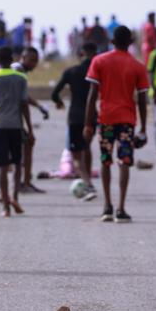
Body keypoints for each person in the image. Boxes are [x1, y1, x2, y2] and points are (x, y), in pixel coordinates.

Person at [84, 26, 149, 223]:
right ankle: (121, 207)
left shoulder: (100, 61)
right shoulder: (138, 66)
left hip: (106, 120)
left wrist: (88, 124)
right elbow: (143, 98)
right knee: (124, 162)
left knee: (105, 161)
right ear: (130, 42)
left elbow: (92, 94)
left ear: (112, 41)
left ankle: (107, 206)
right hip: (127, 121)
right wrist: (143, 128)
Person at [0, 46, 31, 216]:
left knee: (3, 166)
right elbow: (24, 105)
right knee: (17, 164)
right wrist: (30, 129)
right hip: (16, 126)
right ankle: (15, 197)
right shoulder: (21, 78)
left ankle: (6, 205)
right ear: (12, 59)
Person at [51, 42, 98, 200]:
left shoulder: (72, 72)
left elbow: (55, 93)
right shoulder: (97, 73)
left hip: (75, 117)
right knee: (87, 147)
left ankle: (88, 184)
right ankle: (88, 180)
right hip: (91, 116)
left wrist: (59, 102)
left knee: (77, 156)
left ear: (80, 54)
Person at [12, 47, 49, 193]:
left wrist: (39, 106)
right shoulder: (18, 71)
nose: (34, 64)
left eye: (36, 61)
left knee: (22, 149)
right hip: (13, 118)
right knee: (26, 145)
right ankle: (23, 183)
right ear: (23, 57)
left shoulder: (17, 69)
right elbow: (22, 100)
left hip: (8, 117)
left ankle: (23, 182)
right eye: (32, 60)